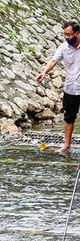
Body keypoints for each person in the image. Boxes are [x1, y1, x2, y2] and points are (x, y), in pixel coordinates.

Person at [36, 21, 80, 153]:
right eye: (65, 34)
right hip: (70, 88)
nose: (67, 37)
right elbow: (53, 61)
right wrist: (44, 72)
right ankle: (66, 145)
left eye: (69, 34)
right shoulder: (64, 47)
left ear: (77, 33)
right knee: (69, 118)